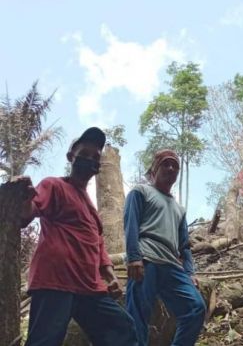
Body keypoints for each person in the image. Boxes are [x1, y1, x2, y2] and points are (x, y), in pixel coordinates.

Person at [17, 127, 137, 346]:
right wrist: (24, 197)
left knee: (123, 330)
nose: (90, 159)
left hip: (90, 287)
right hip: (55, 282)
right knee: (44, 341)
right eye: (84, 154)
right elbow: (27, 213)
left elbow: (98, 246)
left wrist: (110, 277)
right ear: (71, 157)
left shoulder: (92, 210)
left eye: (95, 157)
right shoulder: (54, 185)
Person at [123, 149, 205, 346]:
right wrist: (134, 257)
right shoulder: (140, 192)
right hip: (147, 259)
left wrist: (190, 272)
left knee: (196, 308)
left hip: (172, 268)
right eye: (165, 164)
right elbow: (131, 223)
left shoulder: (179, 209)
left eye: (175, 166)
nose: (171, 168)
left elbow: (184, 246)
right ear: (155, 169)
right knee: (138, 317)